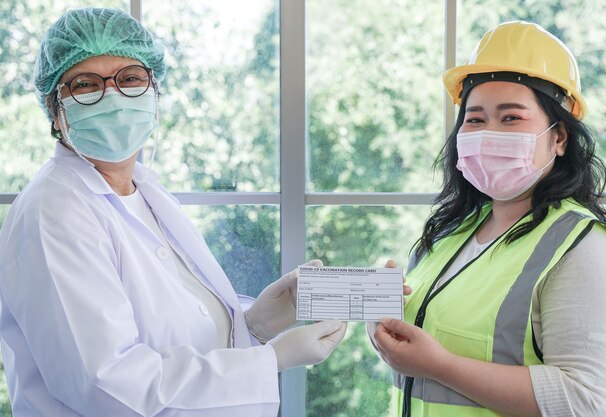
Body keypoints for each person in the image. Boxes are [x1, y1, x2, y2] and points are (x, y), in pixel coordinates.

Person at [0, 8, 347, 417]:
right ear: (54, 108)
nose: (112, 96)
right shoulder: (54, 212)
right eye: (85, 84)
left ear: (154, 88)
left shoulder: (146, 190)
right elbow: (108, 385)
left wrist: (256, 323)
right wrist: (269, 360)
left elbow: (172, 331)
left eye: (130, 78)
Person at [370, 21, 606, 417]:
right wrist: (384, 310)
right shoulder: (449, 232)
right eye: (474, 119)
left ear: (559, 137)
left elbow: (587, 402)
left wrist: (440, 366)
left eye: (510, 118)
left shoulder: (584, 246)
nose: (488, 132)